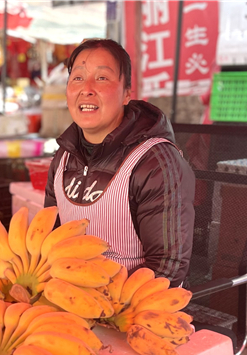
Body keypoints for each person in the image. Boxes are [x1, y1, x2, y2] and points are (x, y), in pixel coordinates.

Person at [44, 39, 195, 287]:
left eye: (102, 78)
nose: (87, 89)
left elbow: (168, 267)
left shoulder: (155, 162)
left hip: (131, 302)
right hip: (69, 293)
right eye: (78, 78)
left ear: (126, 94)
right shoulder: (64, 156)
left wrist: (104, 301)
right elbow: (50, 238)